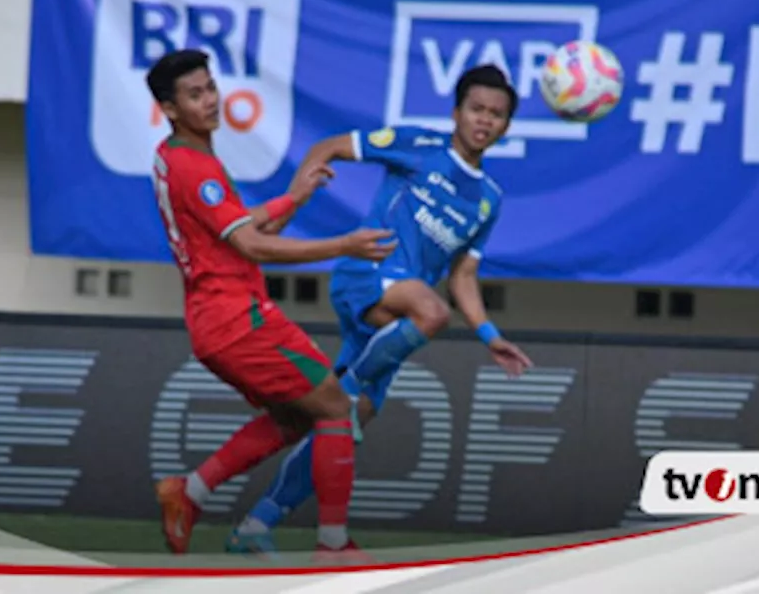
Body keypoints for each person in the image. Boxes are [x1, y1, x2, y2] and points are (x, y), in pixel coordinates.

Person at [226, 65, 534, 556]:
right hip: (366, 275)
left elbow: (463, 277)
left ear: (506, 126)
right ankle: (346, 395)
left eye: (496, 115)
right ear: (456, 112)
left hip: (393, 317)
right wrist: (294, 201)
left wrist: (490, 335)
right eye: (476, 109)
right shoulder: (417, 146)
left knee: (333, 427)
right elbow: (329, 146)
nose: (485, 120)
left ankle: (258, 525)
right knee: (432, 315)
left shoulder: (489, 200)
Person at [147, 49, 397, 564]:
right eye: (195, 95)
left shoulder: (180, 157)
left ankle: (190, 491)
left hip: (217, 323)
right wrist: (343, 245)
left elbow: (244, 228)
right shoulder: (196, 168)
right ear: (170, 109)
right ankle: (332, 544)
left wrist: (294, 198)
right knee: (334, 407)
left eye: (211, 87)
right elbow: (254, 247)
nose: (211, 101)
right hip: (240, 320)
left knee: (297, 419)